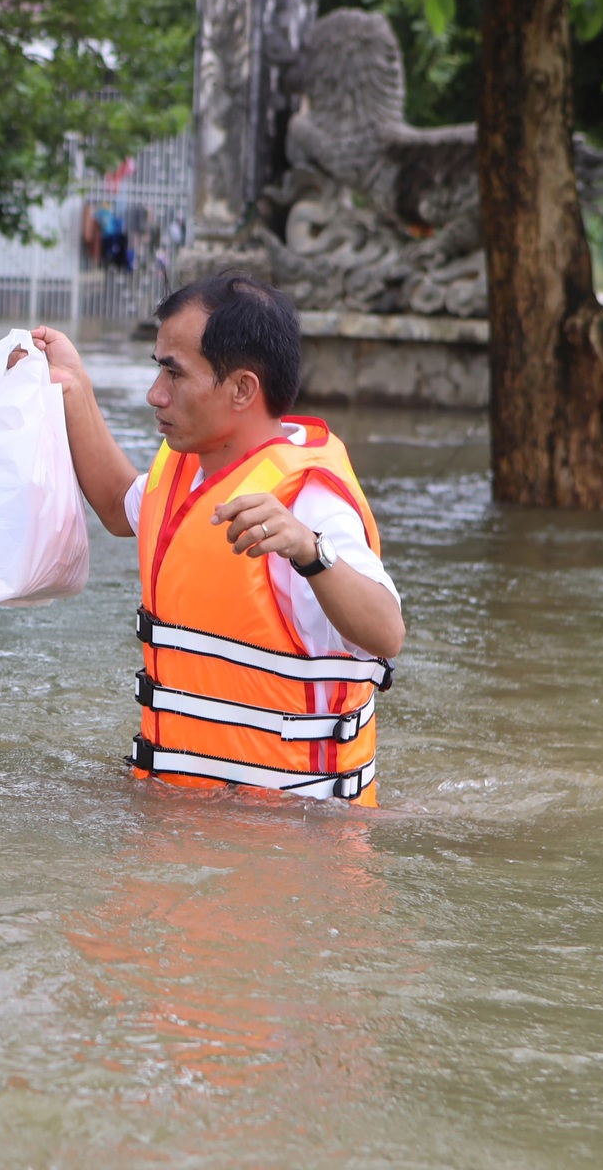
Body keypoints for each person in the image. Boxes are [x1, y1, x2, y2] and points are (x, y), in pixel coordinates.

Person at [32, 275, 405, 806]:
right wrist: (74, 385)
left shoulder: (310, 503)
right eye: (157, 367)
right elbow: (119, 506)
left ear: (242, 389)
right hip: (182, 816)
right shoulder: (186, 468)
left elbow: (388, 633)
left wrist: (309, 549)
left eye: (174, 373)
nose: (154, 393)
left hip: (295, 843)